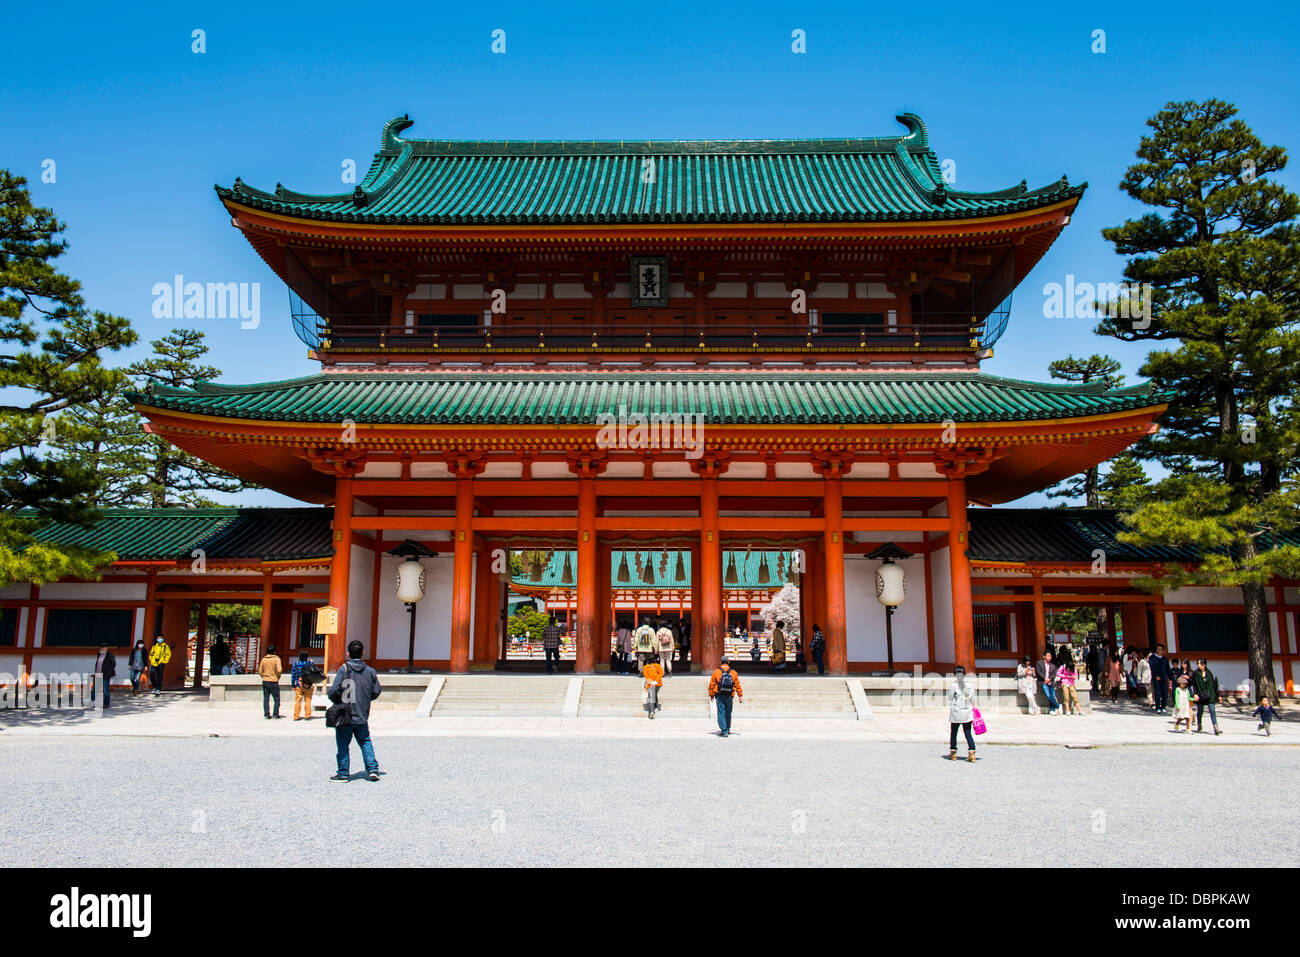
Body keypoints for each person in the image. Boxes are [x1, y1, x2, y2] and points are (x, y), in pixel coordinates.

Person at [328, 640, 383, 782]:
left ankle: (343, 773)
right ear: (363, 652)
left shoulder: (343, 669)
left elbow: (333, 691)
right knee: (365, 741)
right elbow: (376, 690)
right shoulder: (370, 671)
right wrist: (365, 699)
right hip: (361, 713)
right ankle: (372, 769)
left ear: (348, 653)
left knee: (343, 744)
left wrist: (337, 700)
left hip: (345, 713)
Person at [947, 665, 977, 762]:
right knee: (968, 733)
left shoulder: (954, 685)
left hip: (956, 712)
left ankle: (953, 753)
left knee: (954, 733)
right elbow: (972, 699)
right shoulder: (970, 685)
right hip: (967, 711)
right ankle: (972, 753)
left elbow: (950, 698)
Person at [708, 655, 744, 737]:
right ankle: (727, 728)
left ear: (720, 662)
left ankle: (724, 730)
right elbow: (737, 685)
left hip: (719, 695)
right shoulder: (733, 672)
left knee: (721, 712)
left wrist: (711, 695)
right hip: (729, 695)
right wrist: (740, 696)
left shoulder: (716, 672)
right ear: (728, 662)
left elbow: (712, 685)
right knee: (728, 712)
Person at [1190, 659, 1222, 735]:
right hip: (1200, 695)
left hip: (1210, 695)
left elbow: (1214, 685)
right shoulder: (1196, 673)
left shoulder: (1209, 673)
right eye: (1197, 664)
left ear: (1204, 664)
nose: (1198, 665)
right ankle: (1199, 725)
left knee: (1212, 711)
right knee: (1200, 711)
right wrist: (1195, 694)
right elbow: (1194, 685)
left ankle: (1215, 727)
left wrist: (1218, 696)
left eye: (1200, 664)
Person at [290, 649, 318, 720]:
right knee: (308, 700)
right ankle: (307, 715)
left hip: (298, 684)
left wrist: (293, 684)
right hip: (308, 684)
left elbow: (293, 674)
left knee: (298, 700)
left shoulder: (296, 663)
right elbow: (313, 672)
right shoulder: (309, 663)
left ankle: (296, 716)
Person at [258, 643, 284, 719]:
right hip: (273, 680)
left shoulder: (264, 659)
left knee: (266, 698)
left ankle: (266, 714)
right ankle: (275, 714)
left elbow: (260, 671)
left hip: (265, 680)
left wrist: (264, 676)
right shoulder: (277, 659)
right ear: (274, 651)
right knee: (276, 698)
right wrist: (277, 676)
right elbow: (279, 670)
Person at [92, 643, 116, 709]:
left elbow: (113, 664)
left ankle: (106, 704)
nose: (101, 648)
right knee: (95, 689)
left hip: (105, 675)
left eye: (103, 647)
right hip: (98, 674)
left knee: (105, 690)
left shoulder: (109, 655)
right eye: (100, 647)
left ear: (106, 648)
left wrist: (108, 671)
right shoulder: (99, 654)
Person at [1148, 645, 1171, 714]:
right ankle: (1158, 707)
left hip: (1164, 677)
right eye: (1158, 649)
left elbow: (1168, 669)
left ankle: (1163, 707)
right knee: (1157, 693)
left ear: (1163, 650)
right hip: (1156, 678)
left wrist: (1170, 678)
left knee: (1165, 693)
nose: (1159, 650)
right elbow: (1152, 667)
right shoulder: (1152, 657)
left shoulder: (1164, 659)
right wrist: (1156, 675)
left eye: (1160, 649)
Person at [642, 653, 664, 719]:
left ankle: (652, 711)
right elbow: (661, 673)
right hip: (658, 684)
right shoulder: (658, 666)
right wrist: (656, 680)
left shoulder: (645, 668)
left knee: (651, 697)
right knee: (654, 694)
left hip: (651, 683)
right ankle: (656, 706)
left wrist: (652, 682)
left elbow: (646, 677)